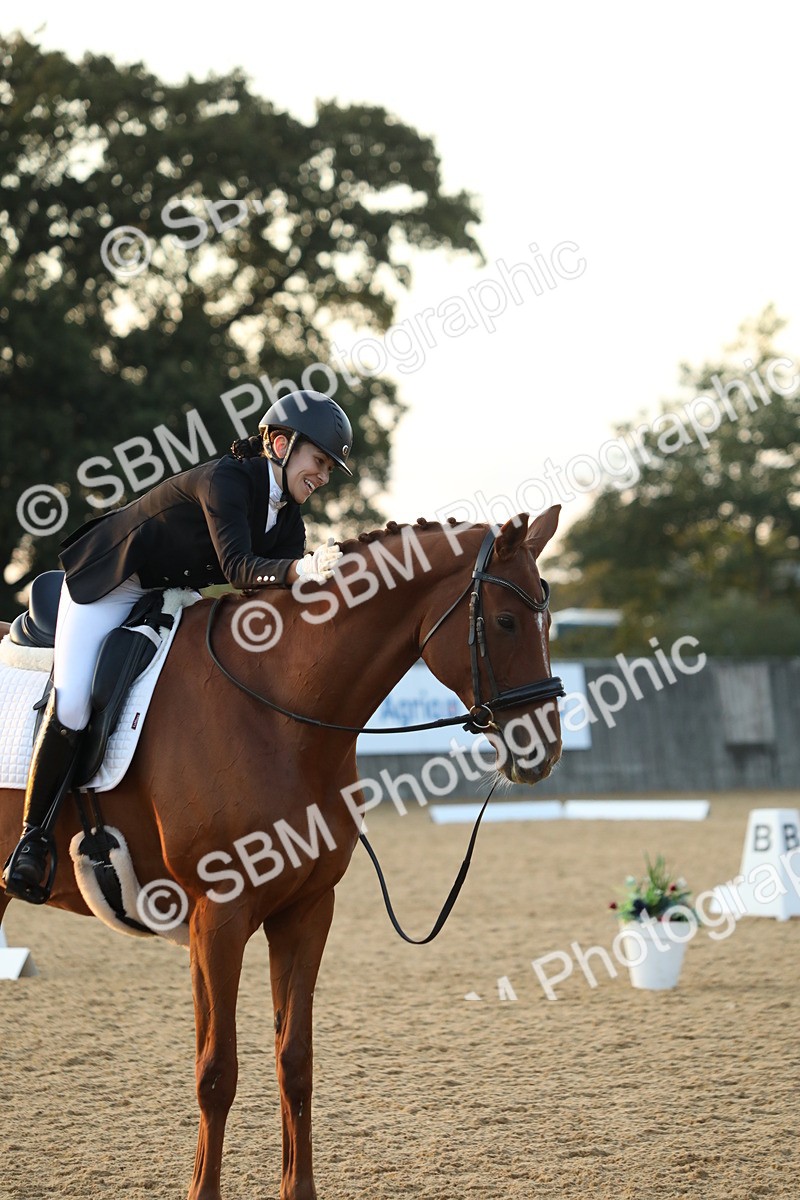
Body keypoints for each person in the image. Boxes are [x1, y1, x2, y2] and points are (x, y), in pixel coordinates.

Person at [2, 390, 353, 902]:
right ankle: (31, 841)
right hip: (109, 584)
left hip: (168, 595)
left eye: (328, 468)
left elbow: (268, 595)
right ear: (280, 443)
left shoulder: (289, 520)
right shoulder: (226, 480)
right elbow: (238, 569)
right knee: (75, 701)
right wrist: (302, 569)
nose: (322, 476)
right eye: (318, 461)